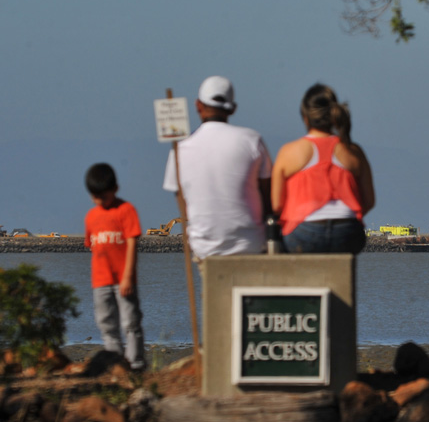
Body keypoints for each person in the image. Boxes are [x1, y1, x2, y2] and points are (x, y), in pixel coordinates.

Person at [163, 76, 273, 259]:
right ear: (233, 108)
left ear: (198, 105)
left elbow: (183, 206)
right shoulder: (252, 140)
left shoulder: (179, 151)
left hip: (206, 250)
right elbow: (267, 199)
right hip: (250, 245)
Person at [271, 83, 375, 253]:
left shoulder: (289, 152)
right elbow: (369, 202)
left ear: (305, 116)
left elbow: (276, 206)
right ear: (335, 114)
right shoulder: (353, 151)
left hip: (304, 232)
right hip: (348, 232)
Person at [84, 163, 145, 371]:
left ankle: (135, 365)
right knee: (106, 324)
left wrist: (127, 277)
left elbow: (132, 243)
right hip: (100, 281)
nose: (99, 201)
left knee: (130, 323)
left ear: (115, 189)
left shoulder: (126, 210)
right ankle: (116, 365)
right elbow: (92, 246)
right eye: (95, 196)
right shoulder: (91, 216)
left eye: (103, 196)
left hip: (123, 280)